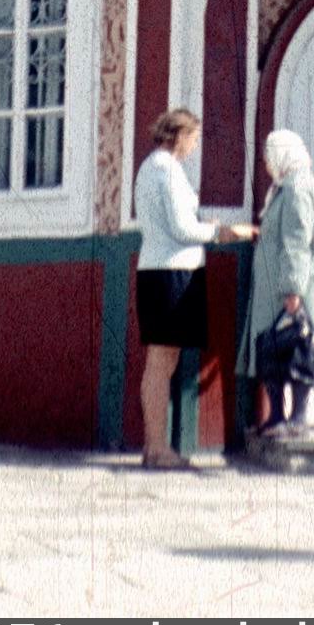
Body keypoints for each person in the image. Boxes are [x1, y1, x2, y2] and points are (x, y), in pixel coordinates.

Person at [132, 107, 252, 470]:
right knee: (161, 363)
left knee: (159, 363)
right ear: (179, 136)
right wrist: (220, 232)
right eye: (193, 139)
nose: (194, 146)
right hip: (172, 273)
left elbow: (174, 224)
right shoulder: (167, 171)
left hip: (157, 269)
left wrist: (203, 225)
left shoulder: (149, 168)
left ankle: (154, 448)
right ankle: (157, 449)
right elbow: (182, 230)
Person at [239, 128, 314, 434]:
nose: (267, 164)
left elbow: (297, 240)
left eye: (269, 156)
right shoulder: (288, 186)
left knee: (295, 347)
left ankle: (296, 417)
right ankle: (277, 416)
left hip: (286, 289)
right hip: (275, 286)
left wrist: (292, 288)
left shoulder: (297, 189)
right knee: (274, 349)